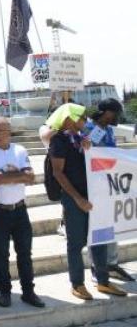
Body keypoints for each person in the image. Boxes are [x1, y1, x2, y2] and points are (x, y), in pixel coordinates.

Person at [46, 104, 128, 300]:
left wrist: (90, 150)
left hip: (94, 196)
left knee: (99, 239)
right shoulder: (58, 140)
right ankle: (77, 284)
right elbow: (58, 172)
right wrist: (78, 199)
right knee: (76, 243)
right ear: (69, 120)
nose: (85, 121)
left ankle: (103, 281)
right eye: (81, 117)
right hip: (75, 198)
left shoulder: (82, 139)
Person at [0, 118, 45, 308]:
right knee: (1, 254)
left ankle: (28, 292)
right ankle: (5, 292)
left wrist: (5, 177)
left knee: (25, 253)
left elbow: (31, 177)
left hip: (20, 210)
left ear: (10, 132)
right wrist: (19, 175)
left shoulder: (20, 150)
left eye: (1, 131)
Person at [85, 99, 134, 282]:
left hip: (112, 186)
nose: (117, 117)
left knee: (114, 224)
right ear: (106, 112)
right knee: (98, 226)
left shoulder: (110, 130)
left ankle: (112, 263)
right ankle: (96, 266)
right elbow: (91, 155)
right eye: (115, 113)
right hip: (96, 186)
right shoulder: (90, 130)